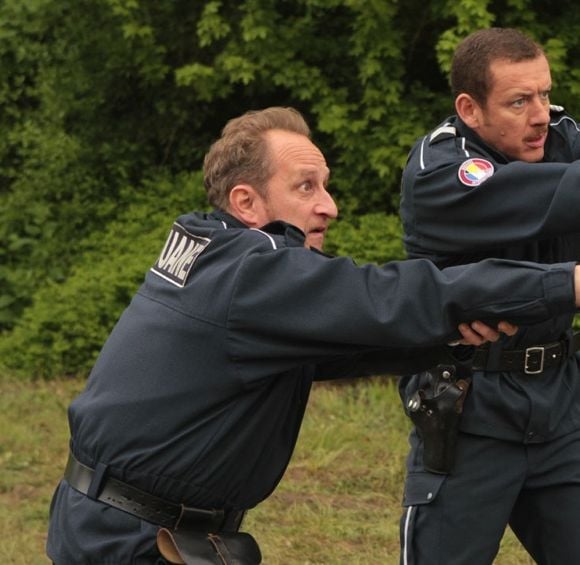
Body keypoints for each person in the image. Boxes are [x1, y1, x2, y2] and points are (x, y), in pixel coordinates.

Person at [46, 106, 580, 565]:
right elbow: (389, 295)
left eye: (325, 185)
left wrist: (447, 338)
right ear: (246, 202)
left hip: (126, 523)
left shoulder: (214, 251)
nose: (329, 205)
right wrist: (565, 283)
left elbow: (341, 345)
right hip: (134, 540)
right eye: (306, 187)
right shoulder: (252, 274)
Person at [399, 27, 580, 565]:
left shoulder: (563, 137)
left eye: (545, 94)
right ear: (469, 109)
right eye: (519, 101)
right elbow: (548, 198)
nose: (541, 113)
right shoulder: (440, 172)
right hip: (469, 406)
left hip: (561, 405)